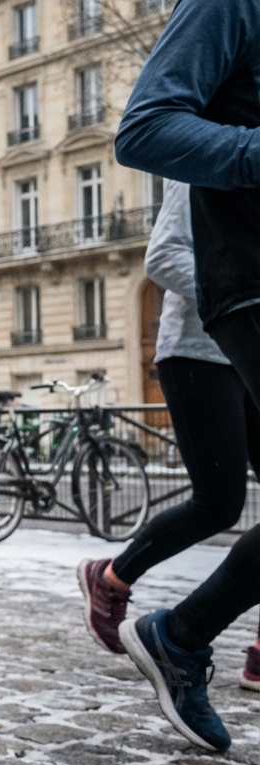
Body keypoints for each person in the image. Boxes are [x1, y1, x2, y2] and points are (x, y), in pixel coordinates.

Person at [112, 0, 260, 752]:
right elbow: (165, 251)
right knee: (218, 498)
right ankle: (123, 585)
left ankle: (184, 633)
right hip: (210, 332)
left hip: (230, 333)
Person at [76, 178, 260, 729]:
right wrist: (237, 298)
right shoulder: (215, 158)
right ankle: (113, 578)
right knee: (218, 504)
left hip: (252, 356)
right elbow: (163, 256)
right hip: (200, 352)